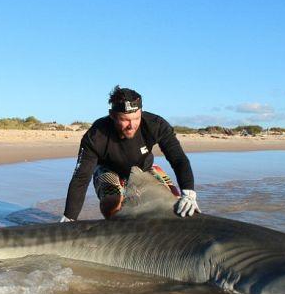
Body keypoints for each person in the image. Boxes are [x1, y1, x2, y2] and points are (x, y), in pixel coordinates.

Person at [60, 86, 200, 221]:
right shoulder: (96, 135)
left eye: (136, 118)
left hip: (143, 169)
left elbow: (178, 160)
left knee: (174, 203)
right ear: (112, 116)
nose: (132, 125)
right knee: (112, 203)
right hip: (109, 169)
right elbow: (81, 177)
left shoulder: (155, 125)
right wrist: (69, 217)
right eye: (125, 120)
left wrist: (188, 192)